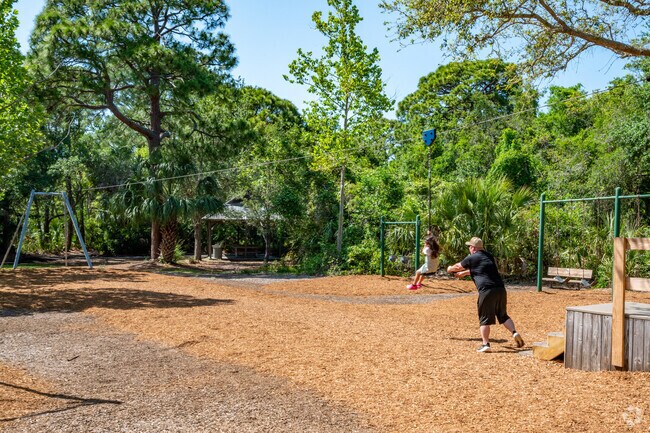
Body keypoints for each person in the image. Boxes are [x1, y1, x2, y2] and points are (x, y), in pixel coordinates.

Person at [446, 237, 525, 352]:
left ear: (473, 248)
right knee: (503, 315)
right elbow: (480, 269)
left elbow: (457, 267)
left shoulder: (472, 257)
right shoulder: (489, 256)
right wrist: (464, 273)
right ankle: (514, 332)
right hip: (500, 289)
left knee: (484, 318)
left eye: (469, 246)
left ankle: (485, 344)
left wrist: (449, 269)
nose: (469, 248)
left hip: (487, 290)